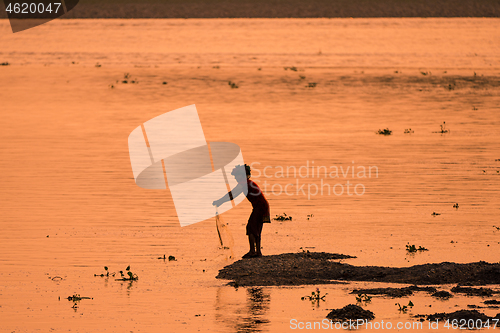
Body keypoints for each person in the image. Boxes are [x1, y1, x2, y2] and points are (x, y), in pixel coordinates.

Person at [213, 164, 270, 258]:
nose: (235, 178)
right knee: (256, 229)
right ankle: (258, 252)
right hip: (262, 206)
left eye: (237, 176)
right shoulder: (247, 182)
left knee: (251, 228)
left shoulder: (244, 183)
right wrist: (221, 201)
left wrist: (220, 201)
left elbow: (232, 195)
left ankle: (253, 251)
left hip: (260, 207)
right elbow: (233, 196)